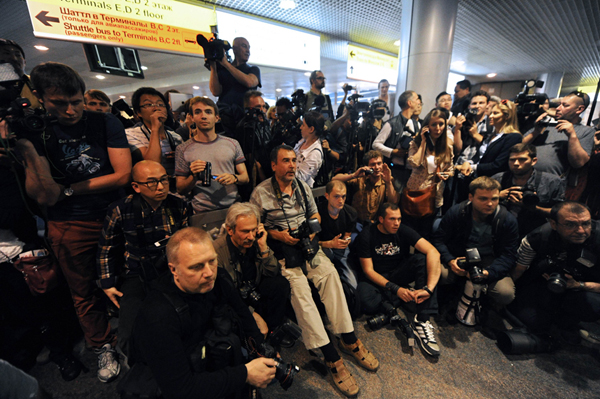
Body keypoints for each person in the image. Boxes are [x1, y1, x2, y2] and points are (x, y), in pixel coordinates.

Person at [14, 62, 131, 383]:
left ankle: (135, 336)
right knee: (83, 291)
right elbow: (41, 194)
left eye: (76, 101)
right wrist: (26, 149)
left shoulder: (104, 121)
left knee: (130, 277)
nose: (70, 110)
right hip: (68, 224)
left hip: (114, 214)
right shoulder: (35, 131)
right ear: (40, 98)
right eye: (59, 103)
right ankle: (102, 345)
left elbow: (122, 174)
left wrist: (67, 189)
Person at [250, 145, 379, 398]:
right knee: (300, 293)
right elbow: (255, 228)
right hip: (281, 251)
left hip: (306, 245)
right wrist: (278, 235)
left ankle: (348, 336)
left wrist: (309, 233)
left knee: (330, 276)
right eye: (285, 161)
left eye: (293, 161)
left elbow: (314, 216)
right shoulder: (260, 193)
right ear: (274, 165)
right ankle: (330, 355)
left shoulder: (302, 186)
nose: (291, 165)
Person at [132, 227, 276, 399]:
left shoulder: (219, 278)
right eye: (196, 267)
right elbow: (180, 389)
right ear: (173, 270)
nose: (209, 273)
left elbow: (243, 313)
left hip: (211, 360)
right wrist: (245, 374)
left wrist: (262, 348)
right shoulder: (158, 315)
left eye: (212, 261)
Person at [97, 160, 190, 359]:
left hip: (170, 270)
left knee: (184, 320)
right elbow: (106, 249)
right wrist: (107, 283)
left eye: (164, 180)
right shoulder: (121, 209)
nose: (160, 187)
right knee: (129, 334)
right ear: (136, 187)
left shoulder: (178, 204)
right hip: (136, 273)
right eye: (152, 182)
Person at [354, 203, 441, 356]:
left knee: (422, 259)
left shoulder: (402, 230)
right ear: (381, 219)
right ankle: (402, 298)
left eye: (399, 219)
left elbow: (433, 251)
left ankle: (422, 317)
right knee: (366, 303)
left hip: (398, 273)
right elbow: (368, 271)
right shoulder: (367, 235)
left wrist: (429, 289)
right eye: (392, 219)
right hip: (377, 277)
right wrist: (396, 289)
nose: (396, 223)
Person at [510, 202, 600, 343]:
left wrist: (579, 285)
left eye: (586, 224)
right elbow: (518, 270)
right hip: (544, 283)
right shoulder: (537, 238)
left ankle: (567, 321)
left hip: (579, 288)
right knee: (534, 321)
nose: (581, 230)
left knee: (594, 306)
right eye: (570, 225)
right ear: (554, 224)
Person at [431, 177, 519, 311]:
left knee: (505, 293)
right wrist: (450, 261)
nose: (490, 204)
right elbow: (439, 240)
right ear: (471, 197)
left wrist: (489, 273)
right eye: (483, 199)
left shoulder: (507, 220)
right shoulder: (457, 212)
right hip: (459, 256)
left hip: (488, 260)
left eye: (494, 199)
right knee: (437, 273)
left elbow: (509, 255)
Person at [213, 202, 290, 336]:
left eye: (253, 230)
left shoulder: (256, 242)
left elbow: (272, 271)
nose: (251, 236)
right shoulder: (216, 253)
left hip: (252, 289)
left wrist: (264, 247)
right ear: (230, 230)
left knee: (280, 284)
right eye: (245, 231)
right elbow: (224, 296)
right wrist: (251, 313)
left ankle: (272, 332)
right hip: (234, 299)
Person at [175, 96, 249, 213]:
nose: (203, 116)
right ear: (192, 117)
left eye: (208, 112)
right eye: (198, 112)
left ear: (217, 118)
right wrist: (193, 177)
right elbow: (180, 188)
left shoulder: (232, 143)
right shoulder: (182, 149)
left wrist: (234, 177)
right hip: (202, 211)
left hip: (233, 207)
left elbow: (245, 177)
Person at [492, 143, 565, 238]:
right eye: (512, 160)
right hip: (501, 230)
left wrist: (533, 208)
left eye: (522, 159)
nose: (516, 163)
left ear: (533, 161)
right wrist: (497, 196)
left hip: (536, 232)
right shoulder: (498, 179)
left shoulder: (551, 181)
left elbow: (560, 213)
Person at [403, 107, 454, 237]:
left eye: (441, 124)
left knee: (428, 231)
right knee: (412, 230)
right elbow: (414, 163)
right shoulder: (416, 143)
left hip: (435, 193)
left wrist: (446, 174)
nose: (438, 128)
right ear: (427, 126)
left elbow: (450, 168)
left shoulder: (447, 146)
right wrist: (424, 142)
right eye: (434, 124)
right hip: (417, 191)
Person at [523, 91, 595, 179]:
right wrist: (536, 131)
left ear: (579, 109)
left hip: (550, 183)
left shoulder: (586, 131)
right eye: (559, 104)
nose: (558, 108)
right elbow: (519, 147)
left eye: (565, 105)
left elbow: (578, 163)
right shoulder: (547, 124)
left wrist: (572, 136)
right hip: (524, 176)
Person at [455, 99, 522, 179]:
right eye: (491, 113)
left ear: (507, 116)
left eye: (495, 113)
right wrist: (468, 163)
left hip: (494, 180)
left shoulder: (513, 137)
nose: (490, 116)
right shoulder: (490, 136)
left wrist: (472, 167)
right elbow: (479, 157)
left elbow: (499, 165)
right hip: (477, 177)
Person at [126, 87, 183, 179]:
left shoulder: (175, 136)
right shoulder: (131, 134)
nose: (156, 108)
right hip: (150, 187)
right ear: (138, 112)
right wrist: (155, 128)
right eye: (148, 104)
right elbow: (152, 164)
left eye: (160, 104)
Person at [333, 150, 399, 228]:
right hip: (357, 222)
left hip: (376, 223)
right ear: (366, 166)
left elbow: (394, 202)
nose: (377, 167)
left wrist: (388, 183)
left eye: (379, 163)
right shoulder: (360, 178)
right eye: (373, 164)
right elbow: (334, 180)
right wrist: (353, 175)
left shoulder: (387, 180)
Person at [373, 90, 421, 191]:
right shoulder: (392, 123)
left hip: (412, 172)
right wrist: (393, 152)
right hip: (395, 171)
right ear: (409, 103)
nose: (419, 102)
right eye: (417, 99)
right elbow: (376, 144)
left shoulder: (417, 124)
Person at [318, 180, 359, 288]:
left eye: (343, 197)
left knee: (353, 284)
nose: (341, 200)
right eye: (336, 196)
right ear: (327, 196)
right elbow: (311, 242)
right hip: (322, 248)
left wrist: (346, 240)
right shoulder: (318, 212)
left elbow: (348, 234)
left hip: (339, 248)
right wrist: (330, 244)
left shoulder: (350, 213)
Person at [209, 37, 261, 110]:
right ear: (234, 49)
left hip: (244, 114)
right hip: (225, 113)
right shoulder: (224, 69)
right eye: (244, 46)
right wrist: (213, 68)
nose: (248, 51)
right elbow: (216, 92)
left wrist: (226, 64)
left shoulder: (253, 69)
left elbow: (250, 82)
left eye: (248, 47)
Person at [0, 38, 40, 109]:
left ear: (25, 62)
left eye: (18, 55)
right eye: (6, 53)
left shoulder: (38, 82)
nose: (14, 58)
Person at [294, 110, 325, 187]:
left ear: (311, 129)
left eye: (303, 125)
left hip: (300, 192)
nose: (300, 127)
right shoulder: (302, 141)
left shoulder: (315, 153)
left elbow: (300, 178)